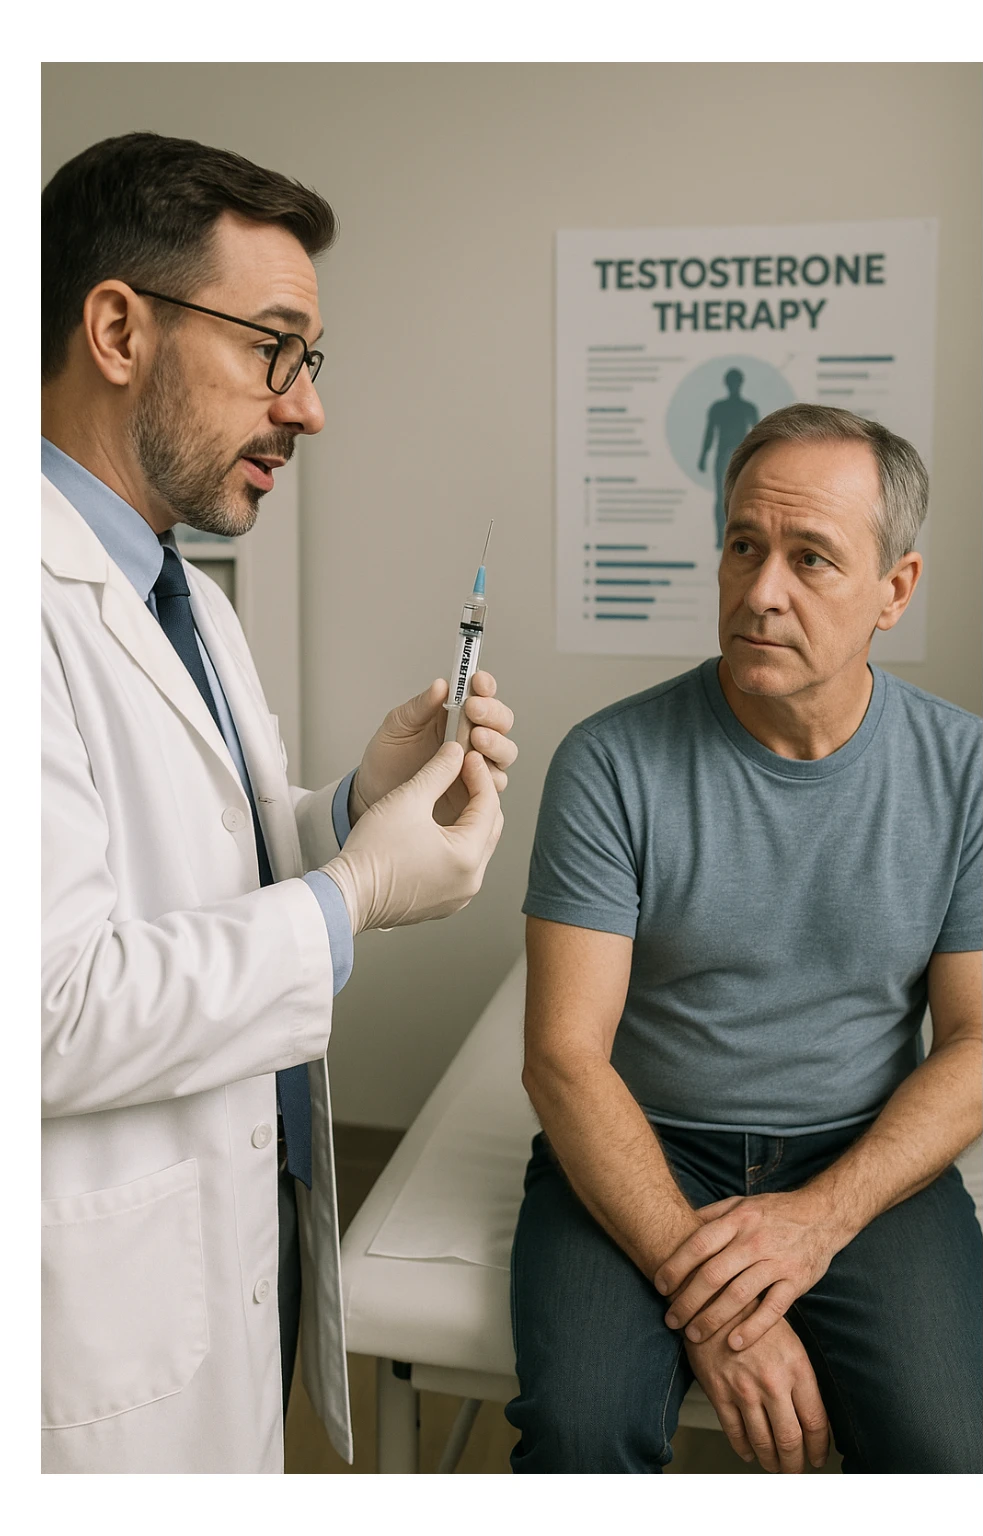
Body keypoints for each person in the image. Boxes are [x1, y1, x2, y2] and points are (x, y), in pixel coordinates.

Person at [40, 131, 518, 1475]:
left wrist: (350, 809)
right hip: (87, 1335)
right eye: (274, 350)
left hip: (224, 1243)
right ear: (118, 330)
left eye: (312, 361)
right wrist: (352, 895)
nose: (309, 410)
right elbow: (49, 1009)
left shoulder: (184, 593)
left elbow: (190, 872)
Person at [508, 403, 981, 1474]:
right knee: (580, 1435)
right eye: (741, 546)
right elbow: (563, 1059)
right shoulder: (609, 763)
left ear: (894, 589)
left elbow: (982, 1043)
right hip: (645, 1139)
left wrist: (818, 1221)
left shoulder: (969, 774)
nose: (761, 591)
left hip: (859, 1147)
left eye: (810, 558)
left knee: (952, 1449)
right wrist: (719, 1298)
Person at [698, 367, 759, 549]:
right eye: (732, 382)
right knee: (722, 498)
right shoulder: (719, 408)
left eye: (736, 382)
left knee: (743, 498)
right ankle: (721, 537)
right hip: (725, 456)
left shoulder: (747, 408)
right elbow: (709, 433)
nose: (734, 385)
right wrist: (703, 456)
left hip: (741, 457)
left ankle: (741, 538)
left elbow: (758, 434)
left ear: (740, 383)